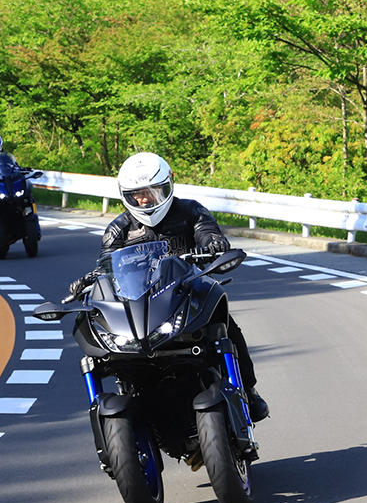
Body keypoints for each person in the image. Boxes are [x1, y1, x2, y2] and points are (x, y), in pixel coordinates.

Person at [64, 151, 269, 422]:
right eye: (137, 194)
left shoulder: (190, 211)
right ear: (126, 195)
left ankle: (249, 391)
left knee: (226, 328)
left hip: (186, 295)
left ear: (168, 186)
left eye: (152, 191)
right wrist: (90, 280)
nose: (145, 199)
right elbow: (108, 266)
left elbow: (208, 232)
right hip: (143, 307)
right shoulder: (119, 230)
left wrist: (214, 244)